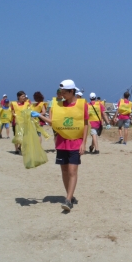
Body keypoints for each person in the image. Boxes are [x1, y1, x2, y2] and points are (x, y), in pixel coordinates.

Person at [35, 80, 89, 212]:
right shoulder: (57, 105)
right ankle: (69, 195)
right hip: (61, 142)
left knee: (72, 171)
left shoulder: (82, 104)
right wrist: (39, 116)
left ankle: (68, 200)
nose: (62, 95)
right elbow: (53, 123)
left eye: (64, 92)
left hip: (76, 142)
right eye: (61, 92)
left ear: (72, 91)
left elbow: (86, 123)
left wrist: (84, 143)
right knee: (64, 171)